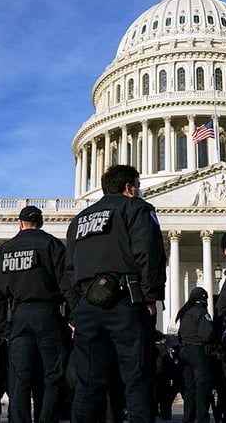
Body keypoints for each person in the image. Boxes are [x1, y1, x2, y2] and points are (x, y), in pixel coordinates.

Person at [64, 164, 167, 423]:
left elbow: (68, 270)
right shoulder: (137, 209)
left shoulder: (80, 220)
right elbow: (149, 254)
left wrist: (78, 307)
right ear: (129, 188)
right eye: (138, 186)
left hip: (88, 306)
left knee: (88, 381)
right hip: (126, 301)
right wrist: (150, 296)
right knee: (137, 378)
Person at [0, 205, 72, 423]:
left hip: (18, 315)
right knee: (53, 374)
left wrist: (4, 325)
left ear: (20, 223)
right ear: (40, 223)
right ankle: (47, 419)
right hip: (47, 313)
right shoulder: (51, 244)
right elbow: (67, 283)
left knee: (20, 377)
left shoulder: (2, 251)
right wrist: (74, 317)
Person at [177, 287, 214, 423]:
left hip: (185, 350)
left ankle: (188, 418)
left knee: (189, 388)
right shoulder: (201, 312)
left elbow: (180, 334)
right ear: (203, 298)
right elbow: (208, 332)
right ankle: (202, 418)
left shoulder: (185, 312)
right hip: (198, 350)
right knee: (202, 386)